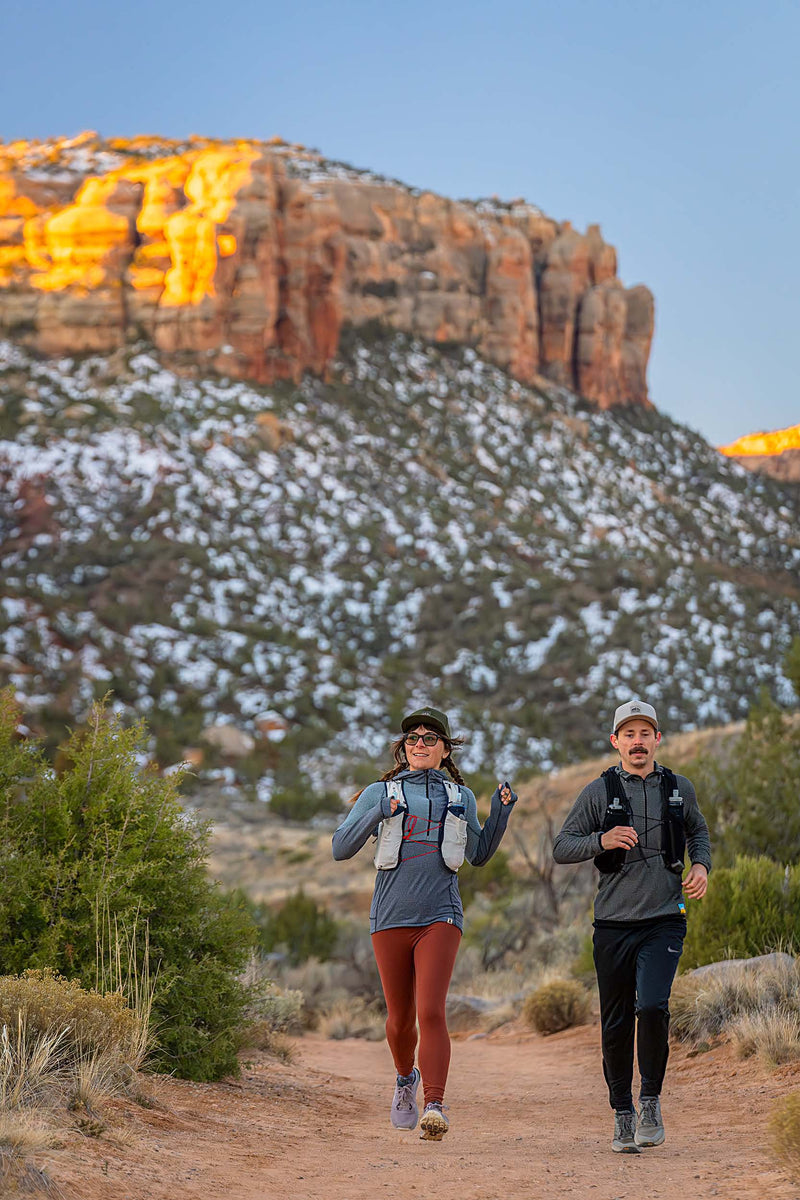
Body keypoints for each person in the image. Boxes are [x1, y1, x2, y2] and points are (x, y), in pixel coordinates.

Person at [332, 705, 516, 1141]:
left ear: (445, 749)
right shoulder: (381, 792)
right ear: (403, 748)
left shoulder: (460, 797)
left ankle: (434, 1102)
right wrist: (379, 811)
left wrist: (501, 813)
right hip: (390, 916)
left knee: (430, 1010)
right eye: (412, 738)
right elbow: (341, 847)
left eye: (430, 739)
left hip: (442, 913)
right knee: (399, 1019)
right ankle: (404, 1080)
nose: (420, 744)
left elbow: (478, 854)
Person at [552, 699, 711, 1154]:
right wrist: (601, 839)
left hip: (664, 919)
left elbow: (699, 832)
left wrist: (701, 866)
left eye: (645, 733)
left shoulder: (680, 788)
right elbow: (562, 846)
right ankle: (622, 1112)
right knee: (617, 1020)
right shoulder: (598, 791)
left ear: (657, 739)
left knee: (654, 1007)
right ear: (615, 742)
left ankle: (650, 1102)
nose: (637, 742)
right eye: (629, 734)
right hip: (612, 924)